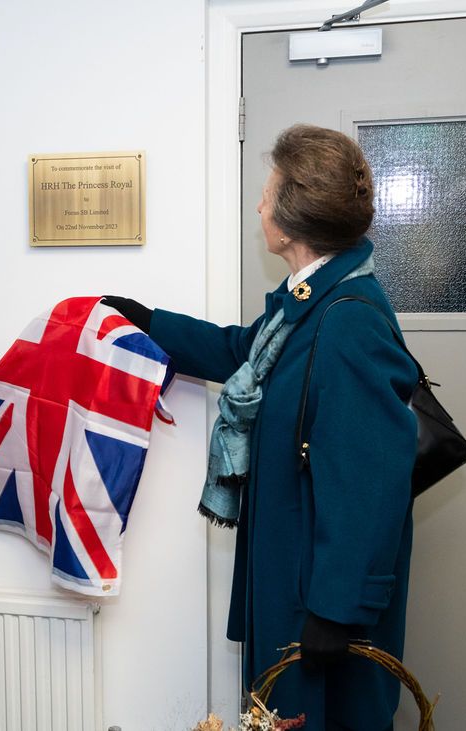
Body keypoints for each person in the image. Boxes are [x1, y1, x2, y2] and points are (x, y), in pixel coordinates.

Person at [104, 125, 417, 729]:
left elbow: (371, 488)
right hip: (295, 574)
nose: (259, 205)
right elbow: (241, 352)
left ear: (294, 214)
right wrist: (147, 321)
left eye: (268, 192)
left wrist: (336, 611)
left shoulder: (350, 324)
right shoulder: (309, 303)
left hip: (321, 598)